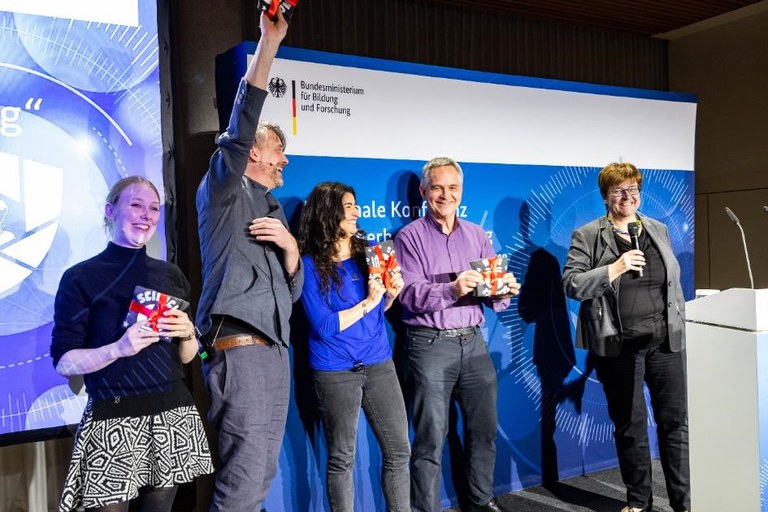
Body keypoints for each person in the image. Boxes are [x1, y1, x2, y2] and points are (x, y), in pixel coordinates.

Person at [51, 176, 213, 512]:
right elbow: (64, 361)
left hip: (171, 413)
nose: (146, 215)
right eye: (136, 205)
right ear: (110, 210)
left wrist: (188, 334)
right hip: (113, 419)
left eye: (154, 208)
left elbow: (186, 357)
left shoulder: (171, 275)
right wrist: (119, 349)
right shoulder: (80, 277)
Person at [195, 11, 302, 512]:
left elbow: (290, 296)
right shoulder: (223, 192)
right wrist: (269, 43)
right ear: (253, 153)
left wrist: (292, 252)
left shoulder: (274, 210)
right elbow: (241, 125)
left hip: (274, 351)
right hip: (239, 350)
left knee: (260, 476)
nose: (285, 159)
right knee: (241, 486)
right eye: (277, 149)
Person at [395, 157, 521, 512]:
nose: (445, 195)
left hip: (474, 341)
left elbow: (495, 296)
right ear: (423, 192)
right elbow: (407, 295)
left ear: (461, 192)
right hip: (429, 347)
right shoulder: (409, 237)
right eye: (437, 187)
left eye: (452, 187)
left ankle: (480, 501)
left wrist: (504, 289)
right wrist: (451, 289)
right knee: (430, 440)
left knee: (484, 431)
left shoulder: (477, 235)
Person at [562, 162, 690, 512]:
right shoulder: (588, 235)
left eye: (633, 189)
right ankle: (639, 502)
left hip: (665, 342)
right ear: (605, 195)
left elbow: (672, 285)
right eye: (619, 190)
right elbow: (572, 284)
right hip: (620, 347)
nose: (628, 197)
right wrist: (614, 268)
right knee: (631, 426)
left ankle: (685, 503)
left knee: (675, 426)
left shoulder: (657, 228)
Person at [297, 182, 411, 512]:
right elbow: (324, 326)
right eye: (348, 206)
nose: (356, 212)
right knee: (342, 458)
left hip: (379, 364)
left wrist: (390, 296)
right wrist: (369, 301)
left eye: (355, 205)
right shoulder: (309, 264)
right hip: (335, 371)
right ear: (327, 212)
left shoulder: (371, 251)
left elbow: (378, 310)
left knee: (399, 450)